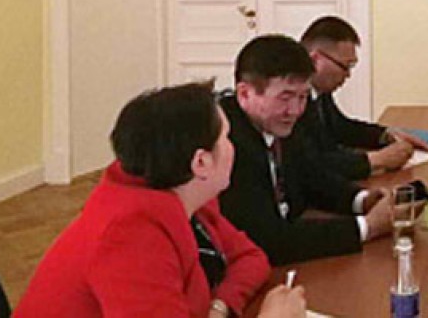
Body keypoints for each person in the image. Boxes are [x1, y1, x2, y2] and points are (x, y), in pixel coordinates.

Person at [15, 82, 305, 317]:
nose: (233, 147)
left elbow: (250, 257)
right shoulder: (130, 235)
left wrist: (219, 307)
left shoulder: (183, 196)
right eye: (226, 138)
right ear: (201, 163)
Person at [218, 35, 395, 266]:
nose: (295, 110)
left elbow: (311, 177)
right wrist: (367, 226)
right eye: (285, 98)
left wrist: (361, 200)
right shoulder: (225, 145)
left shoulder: (275, 123)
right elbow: (269, 241)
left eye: (302, 97)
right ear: (244, 94)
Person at [296, 15, 428, 180]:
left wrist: (386, 134)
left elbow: (342, 128)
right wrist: (375, 160)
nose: (348, 75)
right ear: (315, 60)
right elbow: (309, 165)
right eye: (345, 66)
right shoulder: (292, 103)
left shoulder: (320, 91)